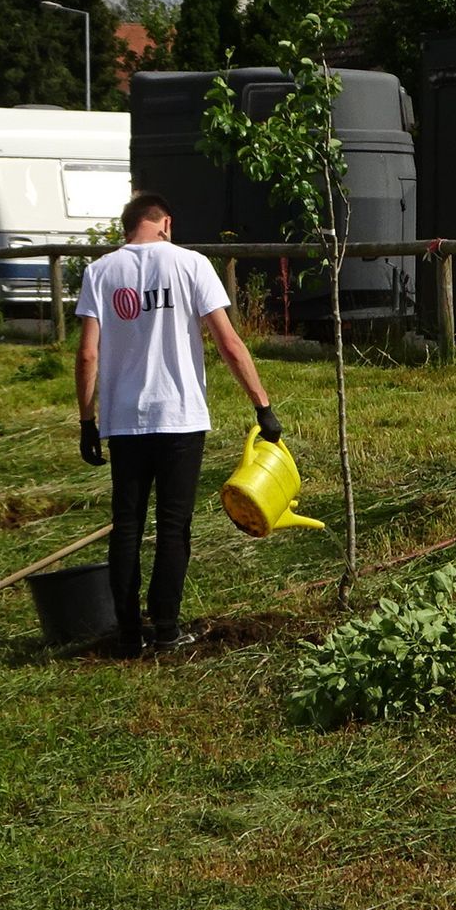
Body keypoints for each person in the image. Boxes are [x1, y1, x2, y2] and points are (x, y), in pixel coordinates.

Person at [74, 192, 279, 651]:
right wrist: (261, 404)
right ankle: (166, 628)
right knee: (173, 523)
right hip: (179, 417)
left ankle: (128, 633)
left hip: (123, 420)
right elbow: (227, 342)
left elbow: (88, 352)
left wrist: (88, 421)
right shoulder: (191, 265)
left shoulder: (99, 272)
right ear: (164, 222)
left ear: (129, 227)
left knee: (126, 524)